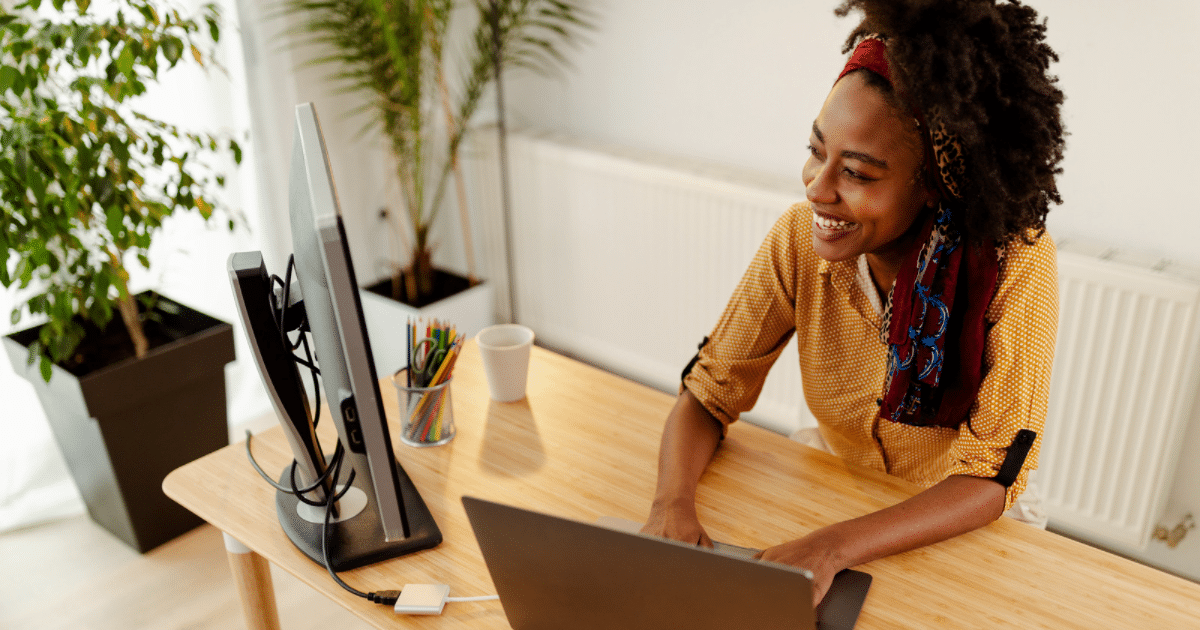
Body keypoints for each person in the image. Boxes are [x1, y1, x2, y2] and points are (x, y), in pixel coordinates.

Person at [640, 0, 1066, 606]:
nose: (816, 187)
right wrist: (671, 506)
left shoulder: (1014, 264)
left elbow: (991, 472)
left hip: (951, 523)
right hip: (834, 493)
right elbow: (710, 391)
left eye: (858, 175)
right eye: (817, 151)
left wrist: (831, 547)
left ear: (931, 187)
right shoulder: (798, 239)